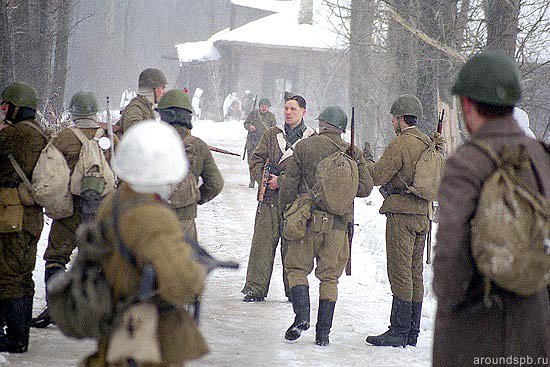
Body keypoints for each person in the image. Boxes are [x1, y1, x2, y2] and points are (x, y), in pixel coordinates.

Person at [432, 51, 550, 366]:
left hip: (477, 329)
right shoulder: (541, 156)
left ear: (467, 104)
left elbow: (451, 253)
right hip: (535, 325)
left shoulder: (468, 161)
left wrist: (449, 301)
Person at [82, 120, 209, 367]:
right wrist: (197, 272)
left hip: (116, 328)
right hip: (147, 339)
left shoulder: (115, 201)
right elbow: (181, 285)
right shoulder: (154, 216)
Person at [279, 106, 373, 345]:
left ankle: (301, 317)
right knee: (330, 279)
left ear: (321, 124)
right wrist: (356, 161)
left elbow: (289, 186)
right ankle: (323, 334)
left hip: (307, 220)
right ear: (342, 128)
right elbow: (364, 189)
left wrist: (288, 213)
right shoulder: (352, 152)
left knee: (297, 269)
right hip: (338, 225)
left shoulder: (304, 147)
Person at [31, 90, 117, 328]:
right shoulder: (110, 137)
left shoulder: (64, 138)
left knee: (56, 257)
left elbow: (49, 171)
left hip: (70, 211)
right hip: (102, 211)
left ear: (73, 113)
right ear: (95, 112)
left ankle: (57, 308)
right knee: (102, 258)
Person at [365, 94, 444, 347]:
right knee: (414, 273)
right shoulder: (428, 142)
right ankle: (412, 331)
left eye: (393, 119)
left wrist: (365, 160)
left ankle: (398, 330)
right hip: (424, 214)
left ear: (400, 119)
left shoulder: (401, 144)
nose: (392, 123)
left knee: (399, 272)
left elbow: (376, 176)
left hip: (402, 214)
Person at [241, 93, 316, 302]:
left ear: (303, 112)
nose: (288, 112)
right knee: (262, 245)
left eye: (293, 109)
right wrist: (264, 180)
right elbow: (256, 159)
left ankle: (293, 290)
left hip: (295, 202)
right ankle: (255, 288)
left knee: (293, 248)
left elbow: (312, 173)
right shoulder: (272, 134)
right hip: (270, 199)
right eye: (286, 108)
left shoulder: (312, 138)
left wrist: (281, 181)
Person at [0, 82, 47, 353]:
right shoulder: (39, 132)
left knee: (8, 274)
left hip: (11, 214)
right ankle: (20, 330)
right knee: (22, 273)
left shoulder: (16, 134)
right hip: (30, 215)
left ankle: (16, 337)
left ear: (17, 107)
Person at [156, 89, 224, 243]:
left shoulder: (151, 141)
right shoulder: (198, 145)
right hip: (185, 220)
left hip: (153, 216)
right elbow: (216, 184)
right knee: (184, 263)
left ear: (168, 116)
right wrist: (196, 197)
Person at [118, 68, 167, 135]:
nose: (163, 92)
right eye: (162, 88)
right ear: (154, 89)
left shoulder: (146, 107)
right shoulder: (135, 108)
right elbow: (134, 135)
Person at [243, 98, 276, 188]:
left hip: (264, 144)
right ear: (259, 107)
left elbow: (274, 129)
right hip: (252, 142)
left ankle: (259, 180)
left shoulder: (271, 116)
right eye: (262, 106)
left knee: (262, 162)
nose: (264, 108)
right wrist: (250, 126)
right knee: (251, 162)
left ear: (268, 107)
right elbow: (245, 124)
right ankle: (252, 180)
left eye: (265, 107)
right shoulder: (253, 114)